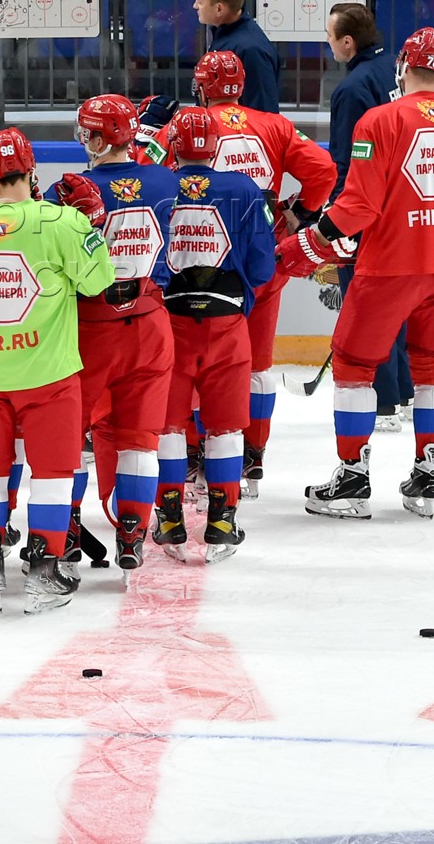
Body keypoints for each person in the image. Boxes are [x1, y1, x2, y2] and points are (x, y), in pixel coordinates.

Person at [281, 27, 434, 520]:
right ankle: (428, 477)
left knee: (354, 366)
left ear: (403, 64)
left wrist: (313, 239)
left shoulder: (377, 120)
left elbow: (358, 206)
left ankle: (352, 478)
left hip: (389, 268)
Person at [0, 127, 116, 614]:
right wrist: (91, 230)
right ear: (32, 169)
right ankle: (44, 569)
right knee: (52, 472)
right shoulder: (64, 221)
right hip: (49, 374)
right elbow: (99, 282)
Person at [192, 50, 337, 496]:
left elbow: (151, 175)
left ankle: (200, 453)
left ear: (202, 88)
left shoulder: (190, 125)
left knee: (197, 361)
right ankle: (253, 455)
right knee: (257, 363)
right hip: (263, 256)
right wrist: (298, 212)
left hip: (204, 257)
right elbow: (324, 171)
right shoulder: (275, 125)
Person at [47, 95, 179, 581]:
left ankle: (64, 532)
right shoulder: (166, 180)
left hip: (88, 328)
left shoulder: (66, 190)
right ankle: (132, 535)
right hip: (149, 321)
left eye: (87, 132)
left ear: (100, 138)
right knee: (139, 440)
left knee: (68, 436)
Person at [156, 105, 277, 564]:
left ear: (173, 145)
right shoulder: (244, 188)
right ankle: (223, 520)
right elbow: (262, 266)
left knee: (168, 425)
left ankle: (169, 516)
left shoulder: (158, 185)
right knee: (225, 426)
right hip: (227, 325)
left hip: (169, 323)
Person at [326, 2, 414, 426]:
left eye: (330, 37)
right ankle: (405, 392)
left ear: (347, 42)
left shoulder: (352, 88)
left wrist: (339, 219)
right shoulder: (394, 69)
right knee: (396, 306)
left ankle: (383, 401)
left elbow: (345, 163)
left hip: (366, 211)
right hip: (402, 206)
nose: (327, 44)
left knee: (367, 310)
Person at [193, 0, 281, 114]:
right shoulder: (224, 34)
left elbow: (264, 115)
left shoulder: (252, 50)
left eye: (200, 2)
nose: (195, 6)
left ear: (219, 9)